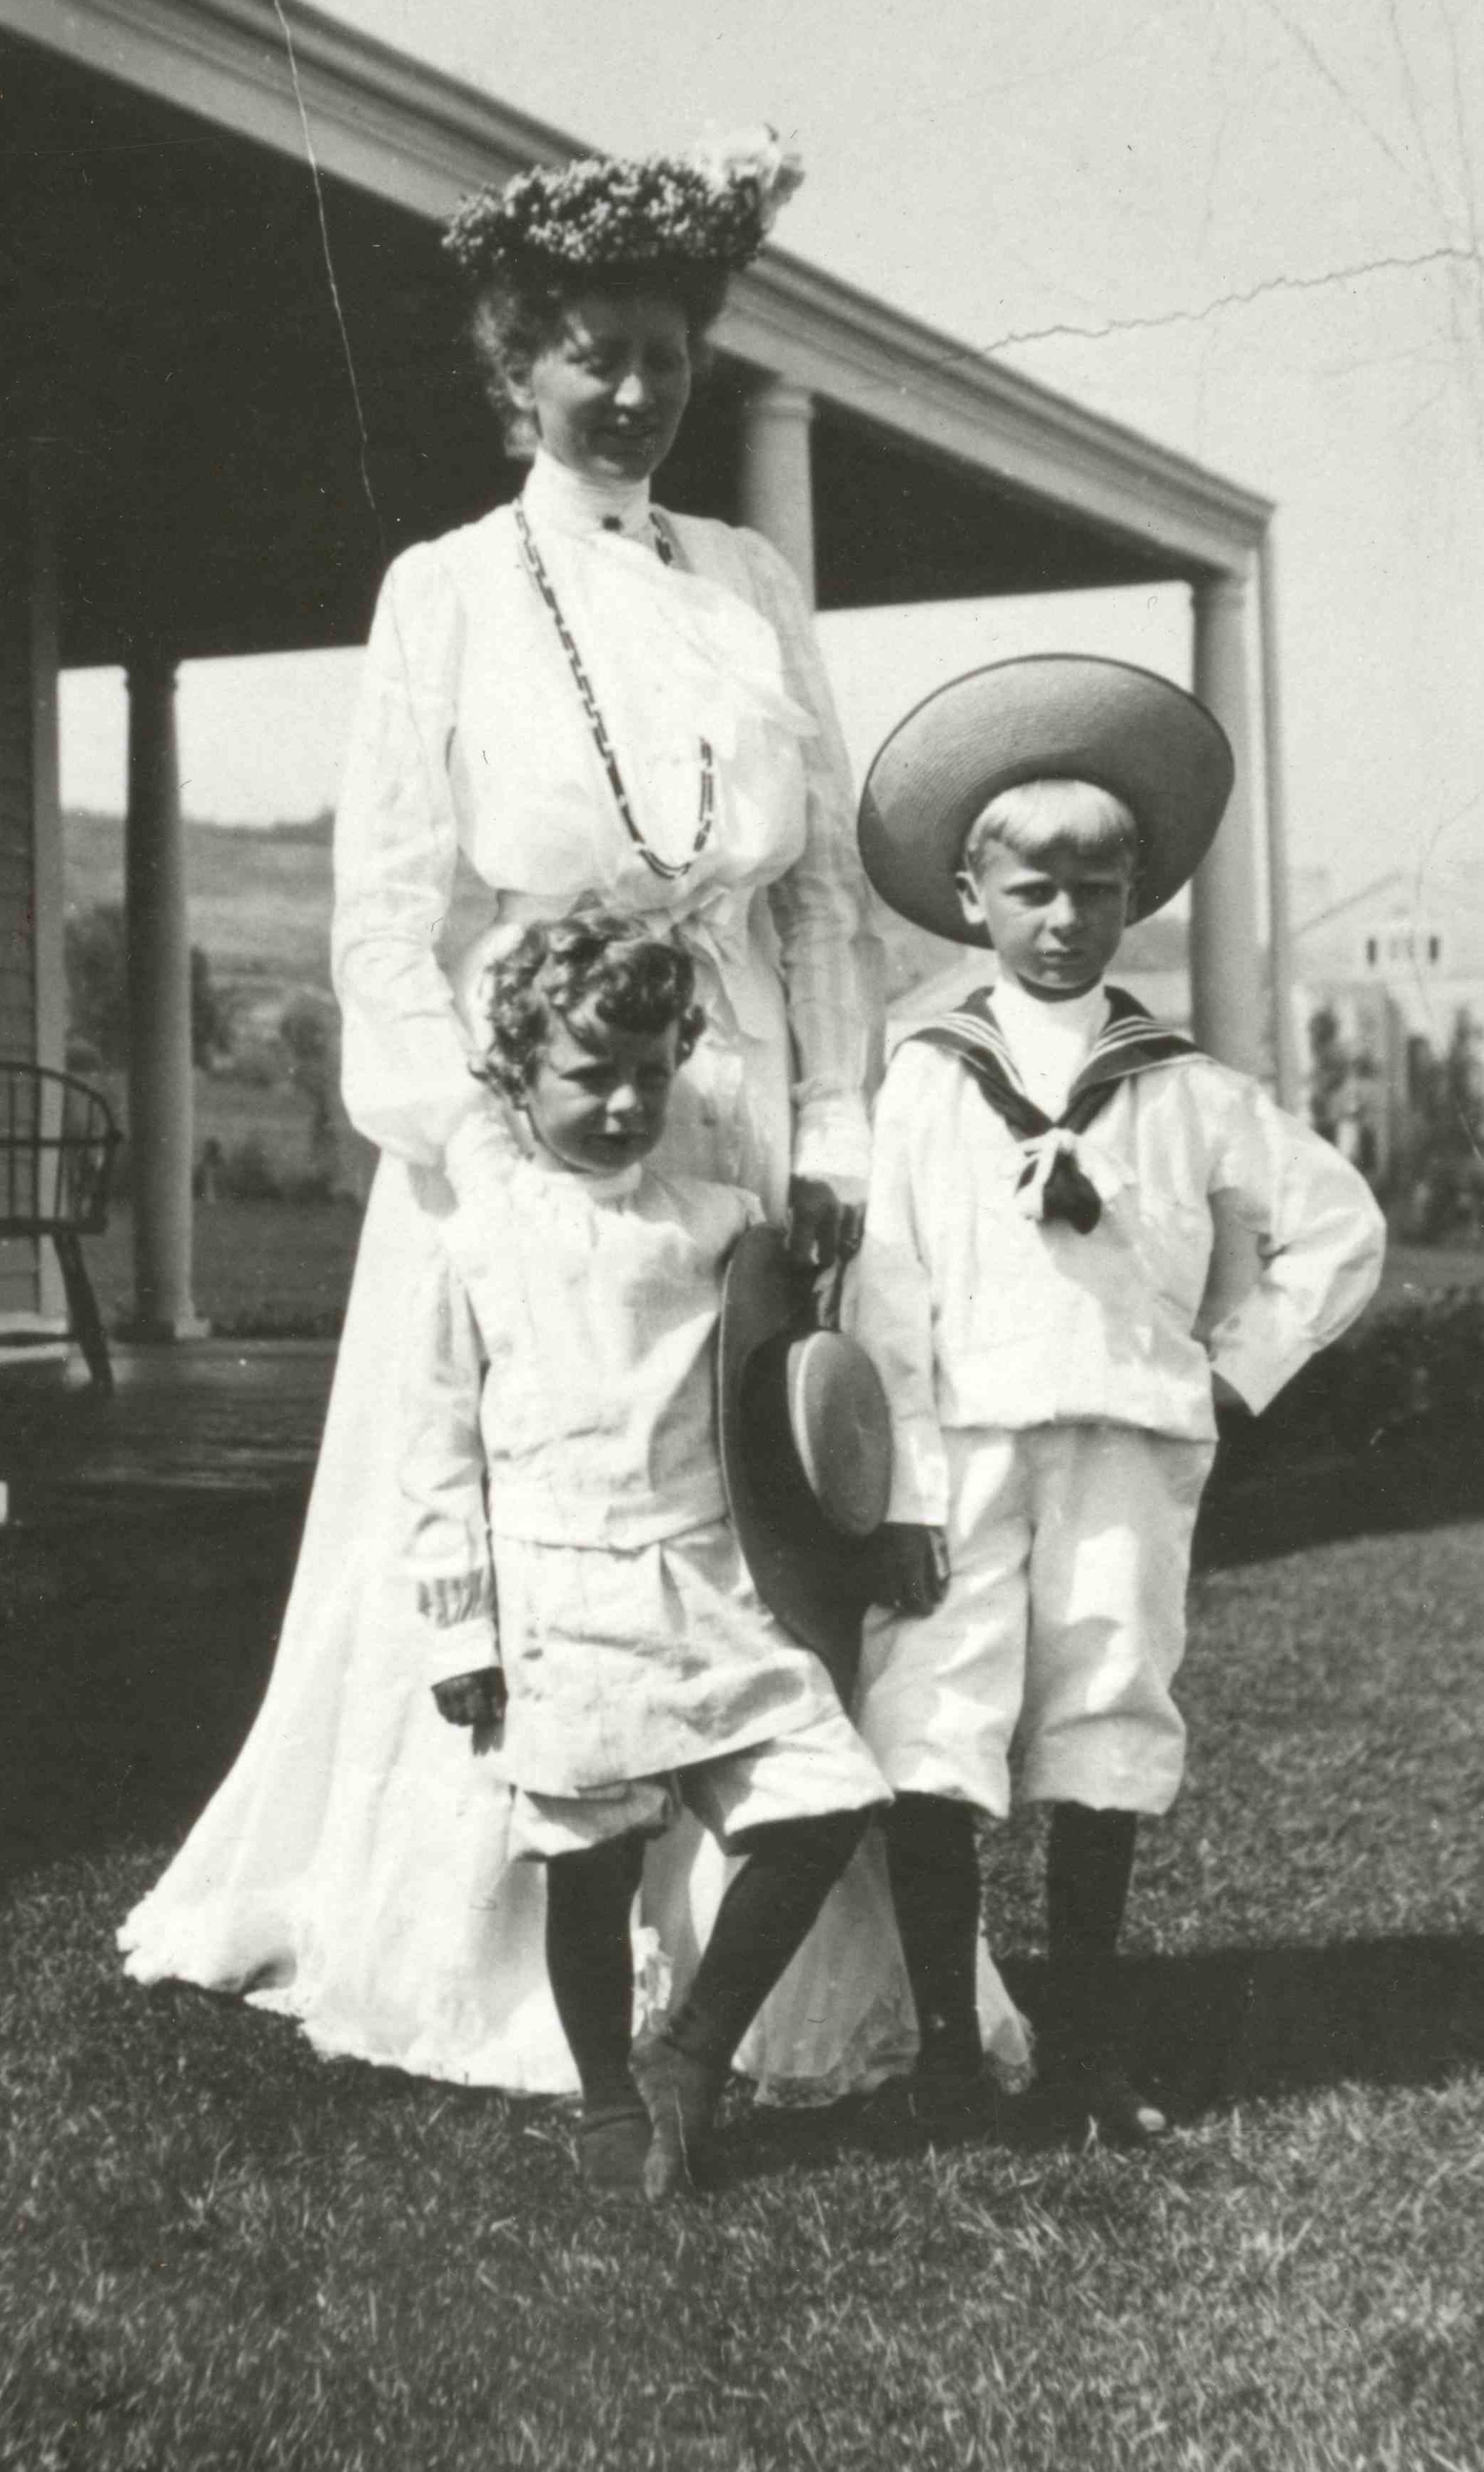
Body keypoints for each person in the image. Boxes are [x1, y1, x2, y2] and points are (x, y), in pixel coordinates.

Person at [120, 132, 1026, 2100]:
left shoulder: (752, 578)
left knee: (755, 1504)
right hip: (537, 1118)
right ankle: (512, 1941)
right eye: (593, 354)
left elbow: (804, 895)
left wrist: (838, 1127)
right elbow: (383, 901)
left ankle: (763, 1949)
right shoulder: (446, 589)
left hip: (750, 1112)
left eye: (667, 357)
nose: (631, 391)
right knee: (540, 1485)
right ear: (518, 366)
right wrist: (466, 1149)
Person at [848, 658, 1387, 2140]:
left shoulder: (1185, 1089)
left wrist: (1226, 1371)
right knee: (934, 1718)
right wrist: (894, 1488)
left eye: (1098, 887)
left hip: (1129, 1451)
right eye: (1030, 888)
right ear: (969, 897)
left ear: (1136, 895)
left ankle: (1080, 2050)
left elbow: (1339, 1231)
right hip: (957, 1449)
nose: (1065, 916)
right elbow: (884, 1292)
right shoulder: (921, 1079)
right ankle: (950, 2055)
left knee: (1102, 1713)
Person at [407, 914, 892, 2196]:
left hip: (708, 1581)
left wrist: (815, 1257)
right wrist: (461, 1632)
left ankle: (690, 2049)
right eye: (587, 1076)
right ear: (516, 1074)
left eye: (649, 1076)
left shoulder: (723, 1224)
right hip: (562, 1595)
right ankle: (609, 2098)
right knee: (590, 1858)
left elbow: (780, 1394)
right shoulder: (476, 1241)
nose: (624, 1105)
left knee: (824, 1796)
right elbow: (439, 1450)